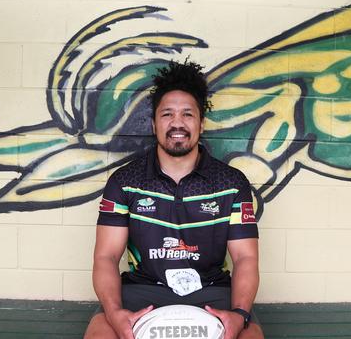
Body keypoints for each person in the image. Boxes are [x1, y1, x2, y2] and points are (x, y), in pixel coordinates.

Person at [84, 60, 263, 339]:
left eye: (187, 114)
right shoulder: (125, 182)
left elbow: (246, 258)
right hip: (141, 289)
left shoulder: (232, 183)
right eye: (167, 114)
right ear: (154, 123)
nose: (177, 123)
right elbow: (106, 257)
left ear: (201, 124)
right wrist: (114, 311)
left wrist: (239, 314)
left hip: (212, 289)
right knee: (99, 333)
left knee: (251, 336)